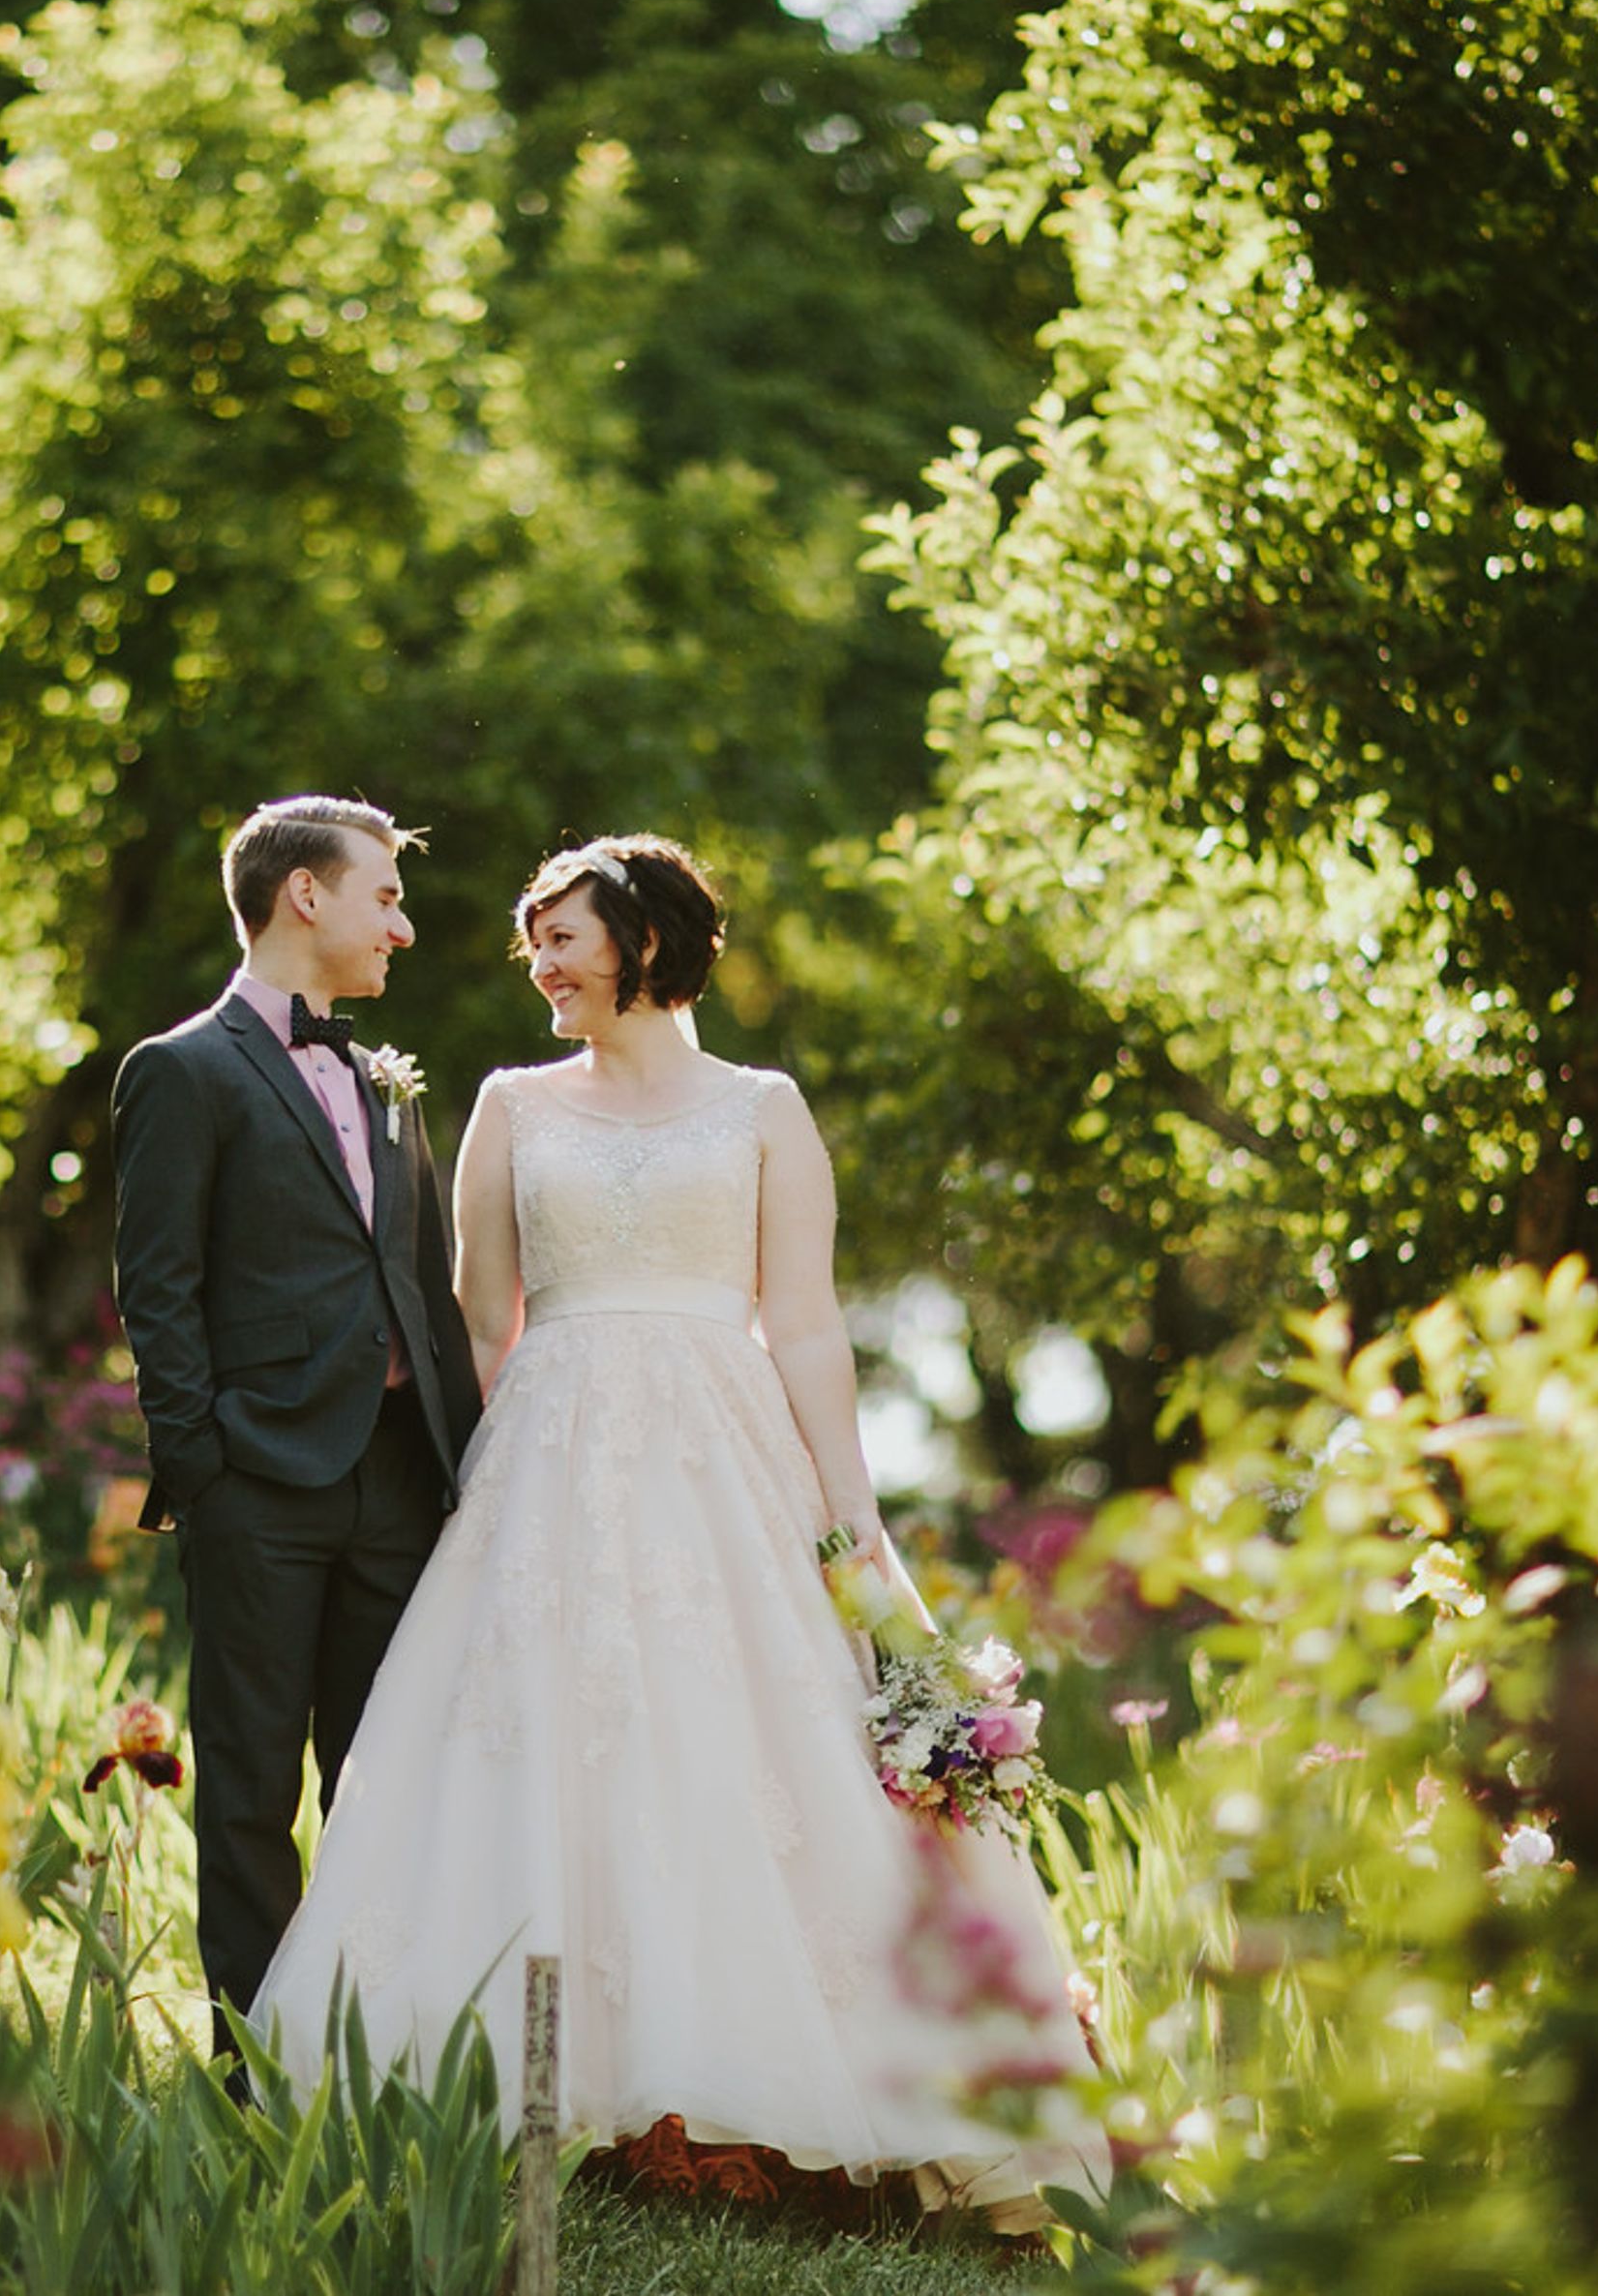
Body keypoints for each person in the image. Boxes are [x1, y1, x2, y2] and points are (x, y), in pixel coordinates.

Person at [249, 833, 1104, 2220]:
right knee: (547, 1741)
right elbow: (480, 1319)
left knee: (749, 1734)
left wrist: (852, 1515)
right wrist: (466, 1493)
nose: (541, 961)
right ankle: (534, 2082)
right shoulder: (512, 1105)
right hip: (550, 1459)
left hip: (730, 1448)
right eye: (536, 938)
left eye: (563, 935)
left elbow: (810, 1323)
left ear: (647, 938)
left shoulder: (765, 1106)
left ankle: (811, 2079)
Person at [109, 796, 484, 2054]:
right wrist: (201, 1462)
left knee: (387, 1791)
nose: (406, 925)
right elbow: (157, 1286)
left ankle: (380, 2055)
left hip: (397, 1481)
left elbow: (426, 1287)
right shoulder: (183, 1070)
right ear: (304, 895)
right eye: (385, 893)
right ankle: (257, 2073)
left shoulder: (389, 1080)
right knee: (254, 1789)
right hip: (257, 1482)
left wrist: (465, 1462)